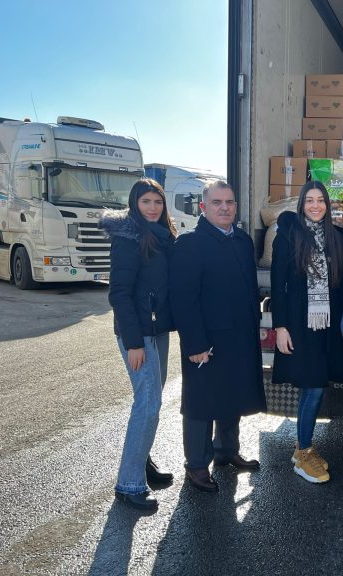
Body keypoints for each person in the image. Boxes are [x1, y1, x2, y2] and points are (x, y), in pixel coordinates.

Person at [169, 180, 266, 493]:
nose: (225, 207)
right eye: (217, 202)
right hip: (206, 341)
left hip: (239, 335)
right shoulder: (190, 244)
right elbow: (184, 300)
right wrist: (195, 343)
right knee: (201, 402)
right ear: (203, 207)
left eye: (230, 202)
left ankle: (226, 450)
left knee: (231, 395)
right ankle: (196, 465)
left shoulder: (242, 241)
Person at [271, 180, 343, 484]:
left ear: (327, 206)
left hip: (326, 325)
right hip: (299, 324)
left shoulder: (333, 238)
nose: (315, 205)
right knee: (313, 386)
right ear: (301, 204)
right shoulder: (288, 236)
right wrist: (280, 327)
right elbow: (277, 284)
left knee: (316, 384)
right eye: (309, 200)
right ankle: (303, 452)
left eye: (321, 200)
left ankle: (302, 447)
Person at [101, 178, 177, 512]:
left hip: (158, 330)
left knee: (152, 401)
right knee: (147, 404)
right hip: (138, 335)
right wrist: (133, 343)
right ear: (134, 204)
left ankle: (142, 464)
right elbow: (119, 293)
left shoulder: (162, 236)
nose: (152, 207)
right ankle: (128, 484)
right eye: (146, 201)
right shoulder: (128, 238)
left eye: (157, 202)